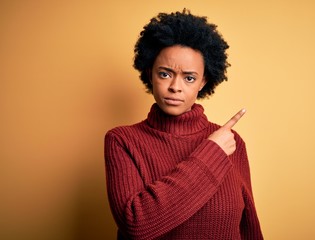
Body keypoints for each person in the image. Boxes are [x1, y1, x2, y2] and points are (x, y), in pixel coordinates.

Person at [104, 9, 263, 240]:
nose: (175, 87)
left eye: (189, 78)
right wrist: (212, 153)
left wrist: (219, 147)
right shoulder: (122, 140)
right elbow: (136, 225)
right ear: (150, 73)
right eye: (165, 74)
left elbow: (249, 227)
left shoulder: (231, 141)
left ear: (203, 81)